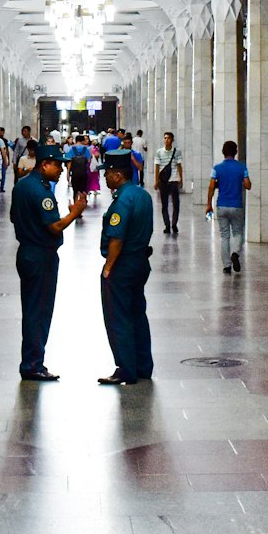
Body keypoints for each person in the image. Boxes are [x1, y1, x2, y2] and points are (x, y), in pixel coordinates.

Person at [10, 149, 87, 382]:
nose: (62, 170)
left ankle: (31, 361)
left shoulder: (22, 185)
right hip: (41, 255)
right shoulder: (40, 190)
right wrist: (74, 213)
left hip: (26, 252)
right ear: (45, 165)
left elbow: (14, 217)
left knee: (32, 308)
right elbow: (54, 226)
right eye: (58, 165)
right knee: (39, 311)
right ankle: (33, 364)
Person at [98, 150, 154, 386]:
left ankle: (126, 369)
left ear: (118, 174)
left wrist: (108, 267)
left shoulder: (122, 200)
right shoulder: (143, 195)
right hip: (141, 262)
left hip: (122, 265)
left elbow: (117, 238)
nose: (105, 177)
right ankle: (143, 366)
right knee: (137, 314)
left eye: (108, 173)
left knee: (118, 317)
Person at [207, 140, 251, 275]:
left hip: (221, 206)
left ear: (223, 152)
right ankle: (235, 253)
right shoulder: (241, 167)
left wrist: (209, 204)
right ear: (236, 152)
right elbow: (248, 185)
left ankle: (226, 266)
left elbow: (211, 187)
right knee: (238, 233)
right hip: (236, 206)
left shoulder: (217, 168)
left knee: (224, 236)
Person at [151, 132, 181, 236]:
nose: (166, 140)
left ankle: (174, 224)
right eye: (165, 138)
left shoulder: (177, 152)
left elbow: (179, 165)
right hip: (163, 181)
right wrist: (156, 181)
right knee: (164, 204)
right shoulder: (159, 152)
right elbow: (157, 167)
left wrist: (180, 179)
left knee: (176, 204)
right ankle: (167, 225)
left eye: (168, 138)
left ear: (172, 140)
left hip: (173, 180)